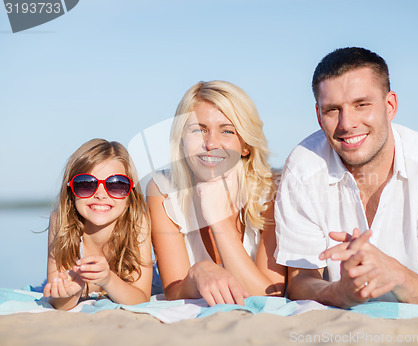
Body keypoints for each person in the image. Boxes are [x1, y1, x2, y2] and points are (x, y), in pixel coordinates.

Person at [274, 47, 418, 308]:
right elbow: (300, 282)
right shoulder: (302, 169)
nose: (347, 123)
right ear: (318, 116)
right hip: (352, 311)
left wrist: (394, 274)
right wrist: (339, 292)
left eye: (362, 104)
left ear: (390, 105)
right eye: (333, 110)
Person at [148, 80, 286, 306]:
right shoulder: (163, 189)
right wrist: (199, 272)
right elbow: (174, 292)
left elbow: (269, 297)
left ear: (246, 145)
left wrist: (218, 222)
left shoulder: (272, 191)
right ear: (182, 141)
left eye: (227, 131)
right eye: (198, 130)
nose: (211, 143)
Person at [43, 139, 152, 310]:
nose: (101, 194)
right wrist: (72, 292)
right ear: (71, 189)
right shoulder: (61, 221)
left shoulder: (137, 223)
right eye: (86, 184)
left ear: (130, 194)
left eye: (116, 185)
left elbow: (141, 299)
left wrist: (108, 279)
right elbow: (59, 305)